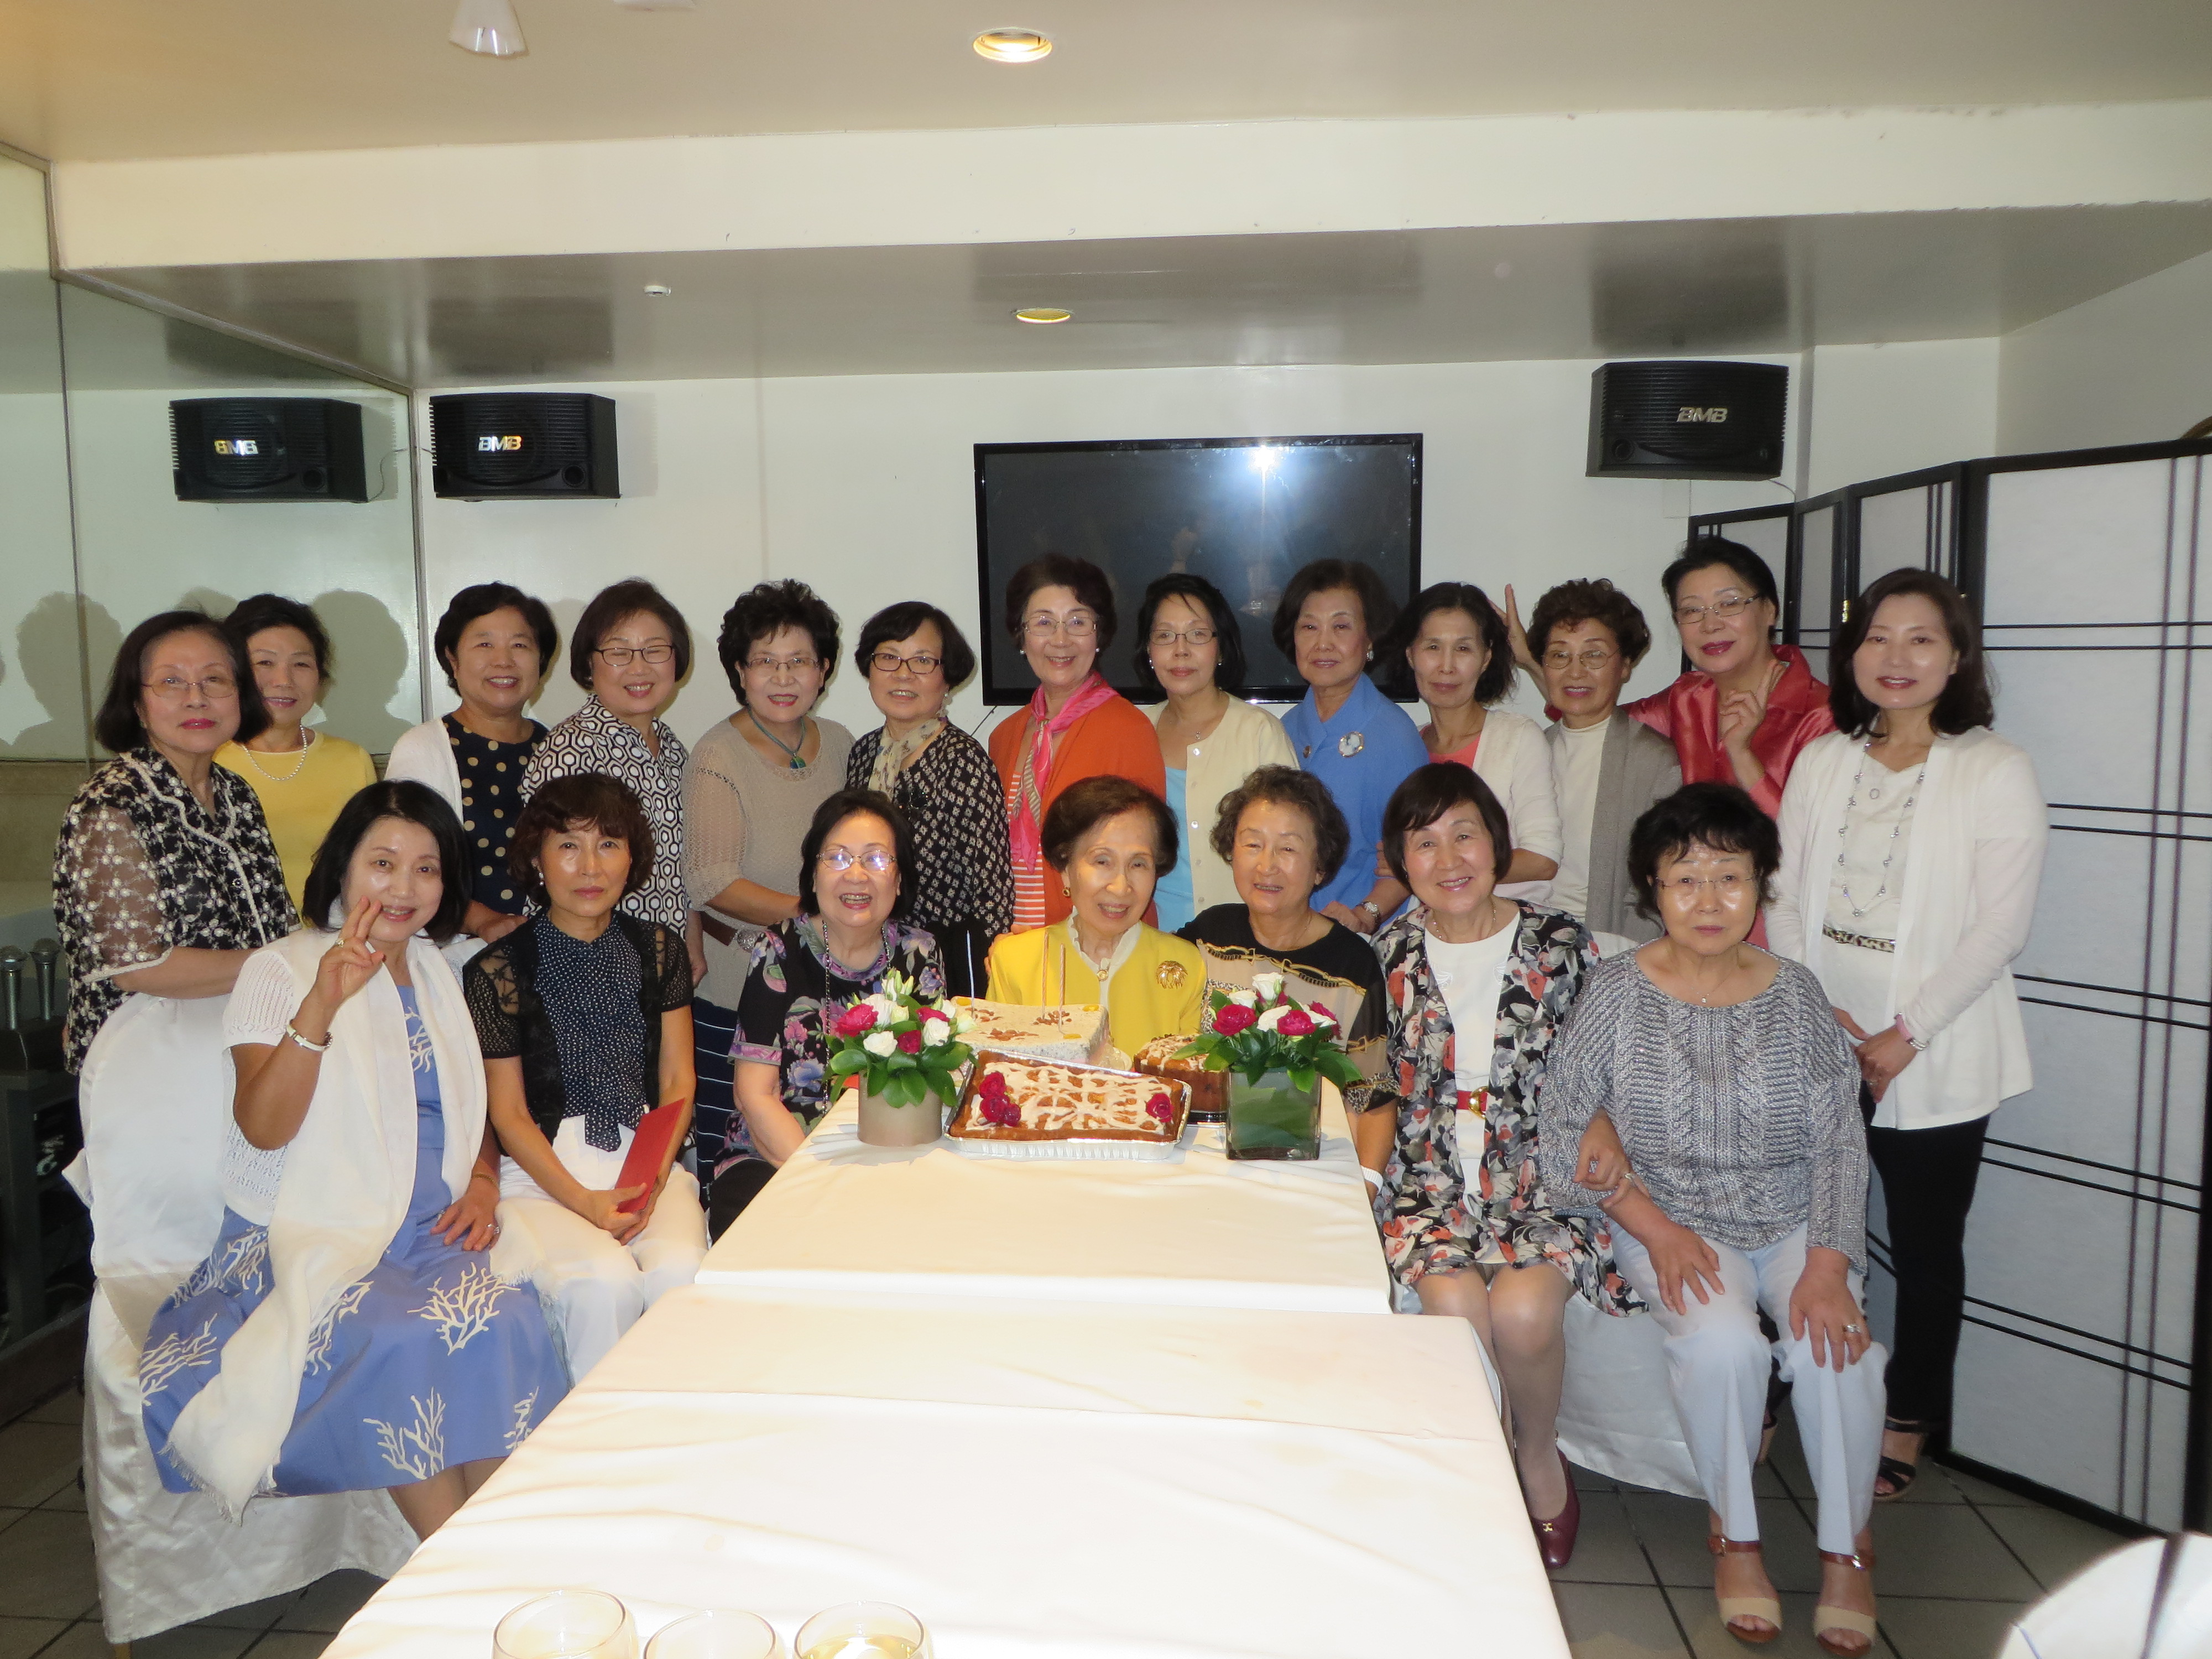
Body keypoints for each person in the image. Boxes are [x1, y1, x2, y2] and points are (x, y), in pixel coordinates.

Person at [140, 781, 566, 1535]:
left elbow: (471, 1106)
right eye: (383, 863)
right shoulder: (282, 968)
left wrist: (482, 1180)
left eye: (427, 869)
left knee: (507, 1319)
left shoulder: (442, 971)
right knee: (399, 1332)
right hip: (316, 1223)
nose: (403, 888)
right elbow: (263, 1129)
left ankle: (492, 1555)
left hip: (437, 1222)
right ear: (343, 867)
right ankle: (454, 1566)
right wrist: (322, 1003)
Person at [1540, 783, 1880, 1653]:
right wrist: (1653, 1229)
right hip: (1671, 1214)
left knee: (1835, 1349)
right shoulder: (1615, 991)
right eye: (1684, 879)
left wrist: (1828, 1265)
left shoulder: (1798, 994)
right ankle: (1736, 1535)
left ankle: (1847, 1548)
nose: (1708, 900)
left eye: (1730, 878)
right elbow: (1563, 1128)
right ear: (1652, 890)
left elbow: (1842, 1139)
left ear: (1760, 886)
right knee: (1724, 1343)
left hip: (1795, 1213)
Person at [1770, 569, 2046, 1502]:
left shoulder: (1994, 768)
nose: (1896, 658)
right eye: (1877, 638)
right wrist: (1818, 1012)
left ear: (1956, 655)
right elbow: (1784, 894)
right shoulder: (1825, 759)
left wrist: (1904, 1035)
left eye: (1921, 639)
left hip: (1940, 1048)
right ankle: (1778, 1394)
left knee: (1926, 1254)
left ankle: (1908, 1419)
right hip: (1821, 1033)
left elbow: (2001, 928)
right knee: (1798, 1231)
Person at [1350, 763, 1631, 1571]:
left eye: (1464, 835)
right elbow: (1367, 1085)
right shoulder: (1387, 955)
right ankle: (1481, 1472)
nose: (1449, 859)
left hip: (1539, 1178)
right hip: (1426, 1182)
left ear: (1497, 844)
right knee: (1454, 1305)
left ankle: (1537, 1454)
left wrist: (1604, 1121)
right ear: (1401, 864)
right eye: (1424, 843)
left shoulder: (1563, 945)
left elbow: (1611, 1064)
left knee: (1525, 1313)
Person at [464, 773, 706, 1380]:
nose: (590, 866)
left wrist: (653, 1179)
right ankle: (597, 1434)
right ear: (537, 859)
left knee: (682, 1274)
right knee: (605, 1284)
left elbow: (678, 1078)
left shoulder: (660, 949)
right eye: (569, 846)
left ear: (632, 858)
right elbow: (509, 1114)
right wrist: (586, 1203)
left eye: (609, 844)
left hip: (647, 1162)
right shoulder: (496, 970)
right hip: (543, 1174)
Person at [54, 611, 295, 1073]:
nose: (196, 699)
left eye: (215, 680)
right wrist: (289, 962)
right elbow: (140, 967)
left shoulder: (236, 793)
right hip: (144, 1062)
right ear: (138, 705)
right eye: (171, 682)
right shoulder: (110, 804)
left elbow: (275, 924)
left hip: (244, 1040)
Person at [682, 581, 854, 1191]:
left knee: (830, 1157)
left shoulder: (840, 742)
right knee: (741, 1167)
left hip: (829, 992)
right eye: (765, 662)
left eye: (799, 661)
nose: (783, 678)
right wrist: (821, 912)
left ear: (824, 669)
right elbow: (711, 881)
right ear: (740, 671)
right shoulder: (718, 756)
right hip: (740, 993)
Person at [722, 790, 946, 1233]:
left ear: (900, 879)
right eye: (838, 858)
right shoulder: (777, 950)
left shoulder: (919, 953)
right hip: (777, 1159)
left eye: (876, 859)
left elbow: (930, 1084)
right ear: (812, 875)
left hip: (888, 1156)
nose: (856, 875)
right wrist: (824, 1180)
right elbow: (753, 1095)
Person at [1507, 538, 1833, 816]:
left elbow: (1817, 845)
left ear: (1770, 610)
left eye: (1729, 604)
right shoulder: (1687, 698)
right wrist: (1534, 661)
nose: (1710, 625)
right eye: (1692, 611)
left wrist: (1741, 754)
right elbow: (1595, 720)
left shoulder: (1823, 715)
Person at [1177, 766, 1386, 1090]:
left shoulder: (1352, 964)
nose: (1266, 866)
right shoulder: (1208, 935)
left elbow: (1370, 1098)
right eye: (1252, 845)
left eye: (1288, 849)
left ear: (1320, 867)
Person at [843, 601, 1013, 995]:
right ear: (869, 669)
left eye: (922, 661)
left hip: (947, 959)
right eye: (889, 657)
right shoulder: (863, 753)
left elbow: (993, 891)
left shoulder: (962, 760)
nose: (903, 674)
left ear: (947, 678)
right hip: (871, 950)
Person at [988, 554, 1164, 932]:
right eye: (1043, 622)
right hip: (1013, 947)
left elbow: (1141, 860)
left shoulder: (1130, 731)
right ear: (1021, 636)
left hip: (1097, 943)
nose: (1060, 639)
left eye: (1077, 622)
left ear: (1099, 634)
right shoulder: (1003, 736)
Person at [387, 582, 560, 946]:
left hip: (552, 949)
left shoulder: (559, 747)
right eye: (484, 644)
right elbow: (404, 874)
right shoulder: (423, 749)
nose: (503, 661)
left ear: (540, 659)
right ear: (453, 659)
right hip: (457, 954)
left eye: (520, 645)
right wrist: (484, 921)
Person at [521, 579, 693, 940]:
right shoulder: (570, 750)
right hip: (588, 953)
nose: (639, 668)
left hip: (662, 952)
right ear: (589, 663)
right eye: (619, 652)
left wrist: (689, 939)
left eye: (654, 650)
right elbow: (555, 876)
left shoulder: (674, 749)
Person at [985, 775, 1205, 1056]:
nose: (1121, 887)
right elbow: (1001, 1069)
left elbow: (1191, 1074)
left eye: (1139, 864)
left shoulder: (1186, 963)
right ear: (1066, 869)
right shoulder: (1015, 960)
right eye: (1102, 861)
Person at [1526, 579, 1683, 950]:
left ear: (1625, 665)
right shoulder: (1529, 748)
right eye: (1559, 655)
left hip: (1609, 945)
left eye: (1594, 655)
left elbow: (1662, 886)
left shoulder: (1654, 761)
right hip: (1527, 939)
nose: (1575, 671)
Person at [1277, 559, 1430, 934]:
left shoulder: (1394, 736)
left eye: (1341, 626)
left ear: (1370, 637)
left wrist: (1364, 915)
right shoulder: (1281, 729)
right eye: (1309, 626)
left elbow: (1413, 858)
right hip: (1281, 932)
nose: (1323, 643)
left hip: (1357, 938)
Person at [1136, 573, 1296, 932]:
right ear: (1148, 650)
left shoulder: (1259, 732)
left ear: (1221, 648)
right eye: (1165, 635)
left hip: (1243, 938)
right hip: (1151, 937)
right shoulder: (1135, 731)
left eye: (1197, 634)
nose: (1181, 650)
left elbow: (1292, 850)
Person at [1396, 581, 1562, 902]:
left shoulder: (1517, 737)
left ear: (1486, 659)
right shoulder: (1403, 744)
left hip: (1510, 919)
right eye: (1433, 647)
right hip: (1430, 923)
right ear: (1411, 655)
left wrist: (1446, 871)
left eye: (1463, 649)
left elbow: (1543, 860)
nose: (1446, 666)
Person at [213, 594, 378, 908]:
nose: (284, 680)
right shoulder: (207, 760)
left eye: (301, 664)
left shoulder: (351, 761)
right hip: (237, 937)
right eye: (264, 663)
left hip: (334, 934)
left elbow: (371, 868)